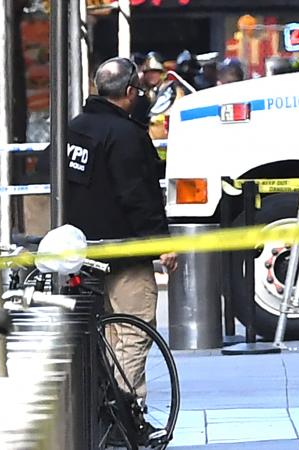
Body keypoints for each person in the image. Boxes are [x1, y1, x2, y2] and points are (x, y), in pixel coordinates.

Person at [64, 57, 178, 430]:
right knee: (132, 330)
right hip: (126, 253)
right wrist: (162, 243)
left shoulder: (75, 130)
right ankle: (124, 416)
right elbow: (139, 196)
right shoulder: (127, 136)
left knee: (107, 334)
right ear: (130, 93)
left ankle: (107, 411)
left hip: (84, 252)